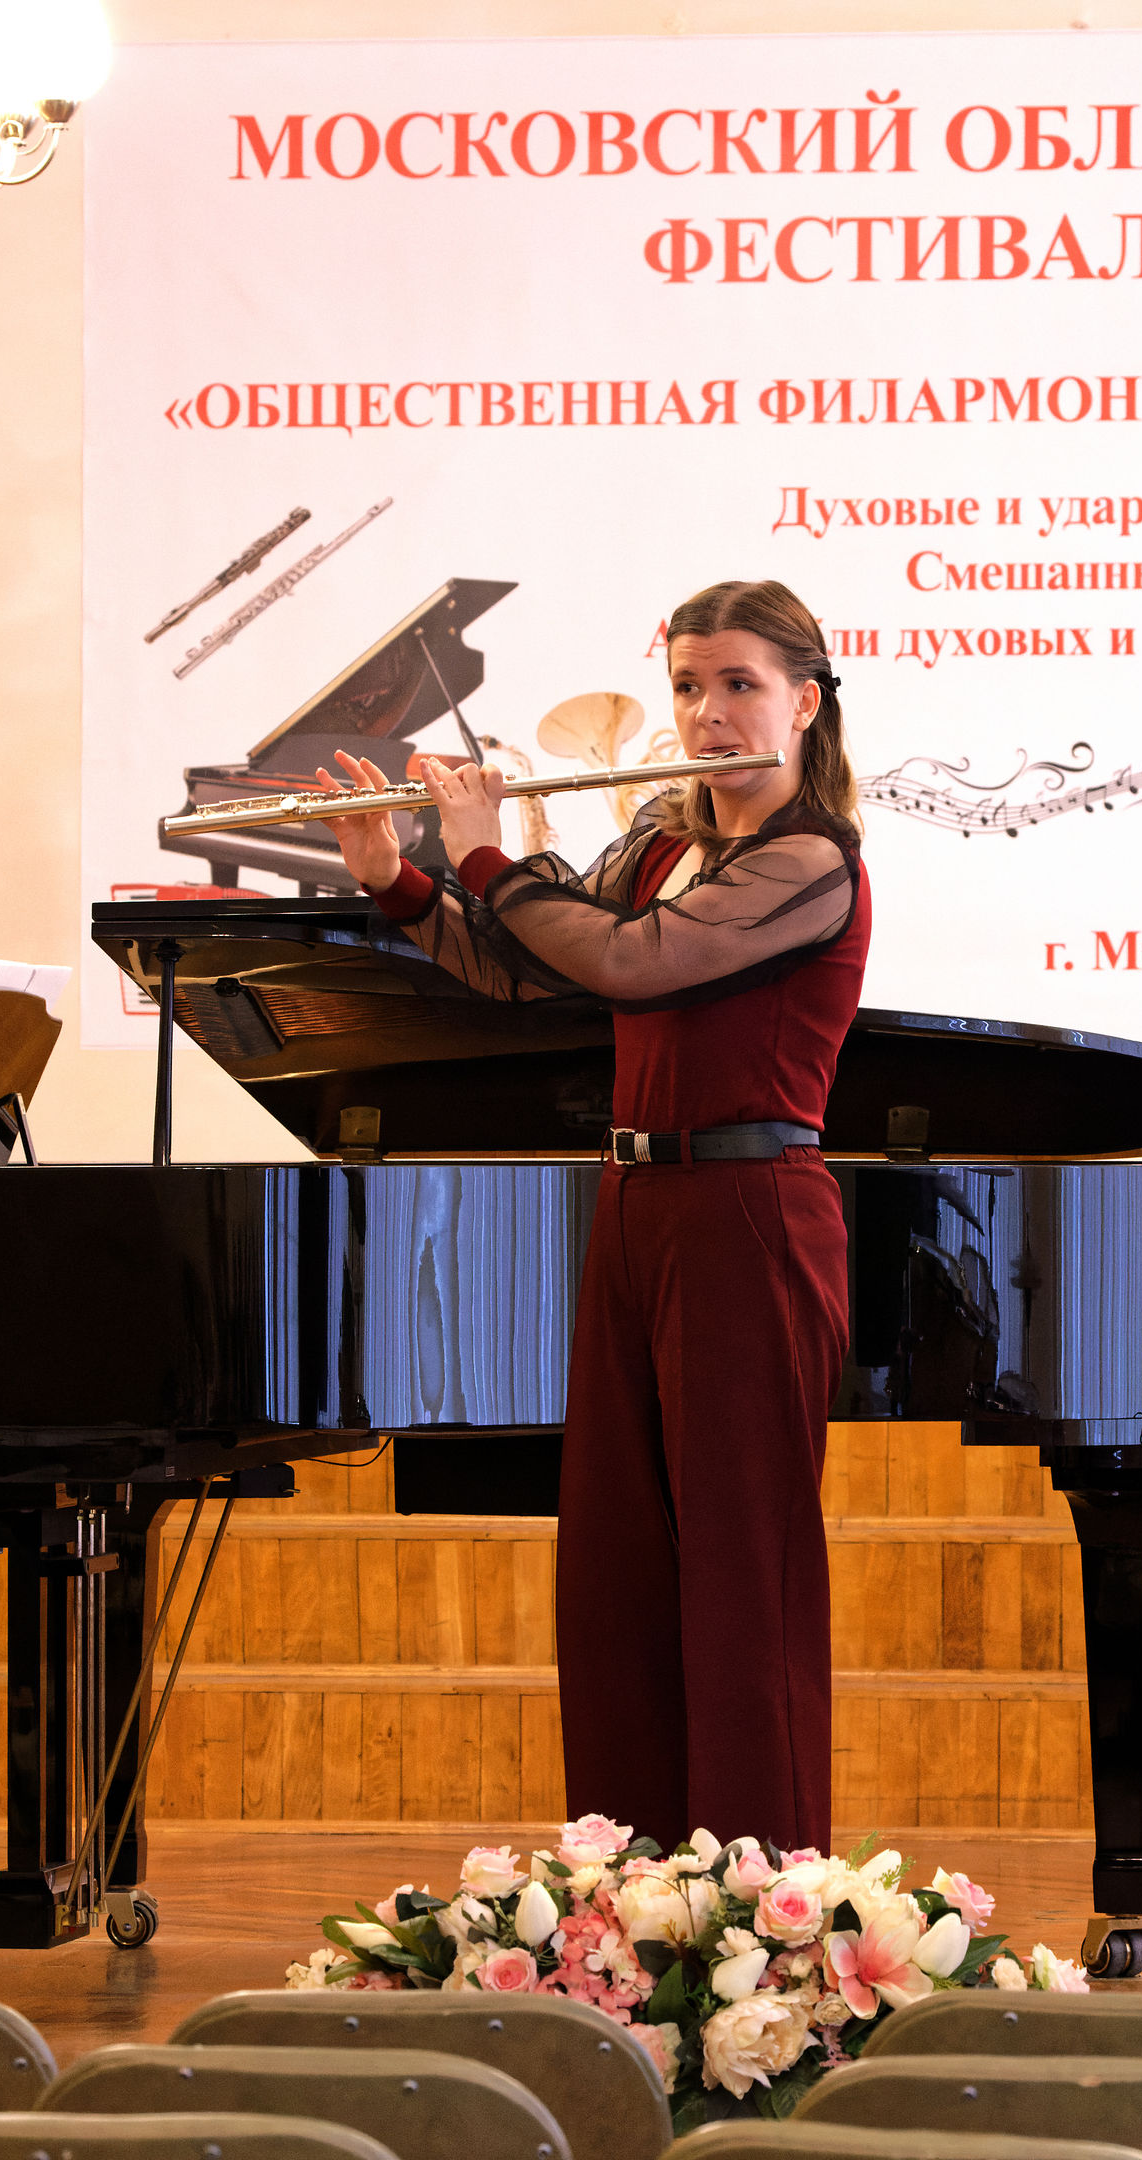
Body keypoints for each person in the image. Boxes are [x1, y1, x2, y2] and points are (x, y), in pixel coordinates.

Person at [313, 580, 868, 1851]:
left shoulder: (809, 861)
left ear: (803, 703)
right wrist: (397, 879)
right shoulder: (661, 843)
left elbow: (633, 961)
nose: (708, 713)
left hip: (750, 1215)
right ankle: (633, 1882)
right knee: (615, 1566)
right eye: (688, 686)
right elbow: (529, 975)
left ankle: (766, 1892)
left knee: (744, 1573)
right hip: (632, 1206)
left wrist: (486, 853)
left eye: (739, 685)